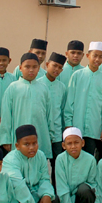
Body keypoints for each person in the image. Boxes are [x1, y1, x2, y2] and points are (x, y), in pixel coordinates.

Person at [0, 53, 58, 162]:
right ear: (20, 68)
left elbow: (49, 114)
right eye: (27, 67)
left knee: (39, 165)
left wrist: (50, 135)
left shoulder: (43, 88)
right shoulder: (13, 88)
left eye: (34, 67)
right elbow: (6, 115)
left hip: (41, 135)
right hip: (19, 135)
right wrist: (5, 138)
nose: (31, 70)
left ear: (39, 68)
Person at [0, 125, 58, 203]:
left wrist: (46, 194)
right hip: (14, 199)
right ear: (17, 146)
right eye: (26, 144)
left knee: (53, 200)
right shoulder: (11, 159)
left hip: (32, 194)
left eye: (34, 143)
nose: (31, 147)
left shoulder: (40, 155)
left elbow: (44, 179)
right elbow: (19, 186)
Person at [64, 41, 102, 161]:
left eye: (101, 57)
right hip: (76, 126)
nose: (97, 59)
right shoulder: (77, 76)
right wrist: (68, 124)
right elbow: (69, 103)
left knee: (90, 160)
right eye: (95, 55)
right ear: (88, 56)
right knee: (74, 160)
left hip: (94, 129)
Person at [55, 127, 102, 203]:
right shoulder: (60, 160)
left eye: (76, 142)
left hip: (81, 193)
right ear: (63, 146)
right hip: (67, 196)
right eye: (69, 143)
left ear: (82, 143)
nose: (73, 146)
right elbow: (62, 187)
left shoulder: (90, 159)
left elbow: (95, 184)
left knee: (85, 188)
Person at [38, 52, 68, 184]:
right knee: (39, 167)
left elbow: (62, 110)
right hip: (40, 133)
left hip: (56, 134)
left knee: (57, 167)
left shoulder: (62, 87)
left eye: (60, 67)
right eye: (54, 66)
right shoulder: (37, 85)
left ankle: (57, 195)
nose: (56, 69)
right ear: (47, 64)